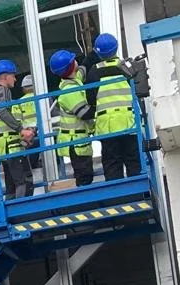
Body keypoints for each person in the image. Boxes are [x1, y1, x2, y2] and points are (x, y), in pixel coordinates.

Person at [88, 33, 142, 181]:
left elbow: (90, 98)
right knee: (133, 160)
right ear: (116, 47)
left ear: (97, 52)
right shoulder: (127, 68)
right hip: (128, 122)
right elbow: (139, 91)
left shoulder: (94, 71)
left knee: (112, 163)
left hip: (107, 126)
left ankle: (116, 198)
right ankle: (137, 191)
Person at [0, 59, 35, 199]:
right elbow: (2, 111)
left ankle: (13, 209)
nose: (15, 78)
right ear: (5, 76)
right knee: (24, 181)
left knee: (11, 184)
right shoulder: (3, 91)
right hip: (11, 146)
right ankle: (22, 211)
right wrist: (21, 130)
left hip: (3, 146)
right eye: (13, 75)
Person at [49, 49, 96, 186]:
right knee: (84, 177)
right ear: (70, 66)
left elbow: (82, 69)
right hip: (76, 142)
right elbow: (85, 113)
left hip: (78, 141)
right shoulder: (69, 91)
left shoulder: (72, 81)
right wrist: (103, 107)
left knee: (85, 175)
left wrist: (93, 53)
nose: (77, 61)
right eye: (73, 60)